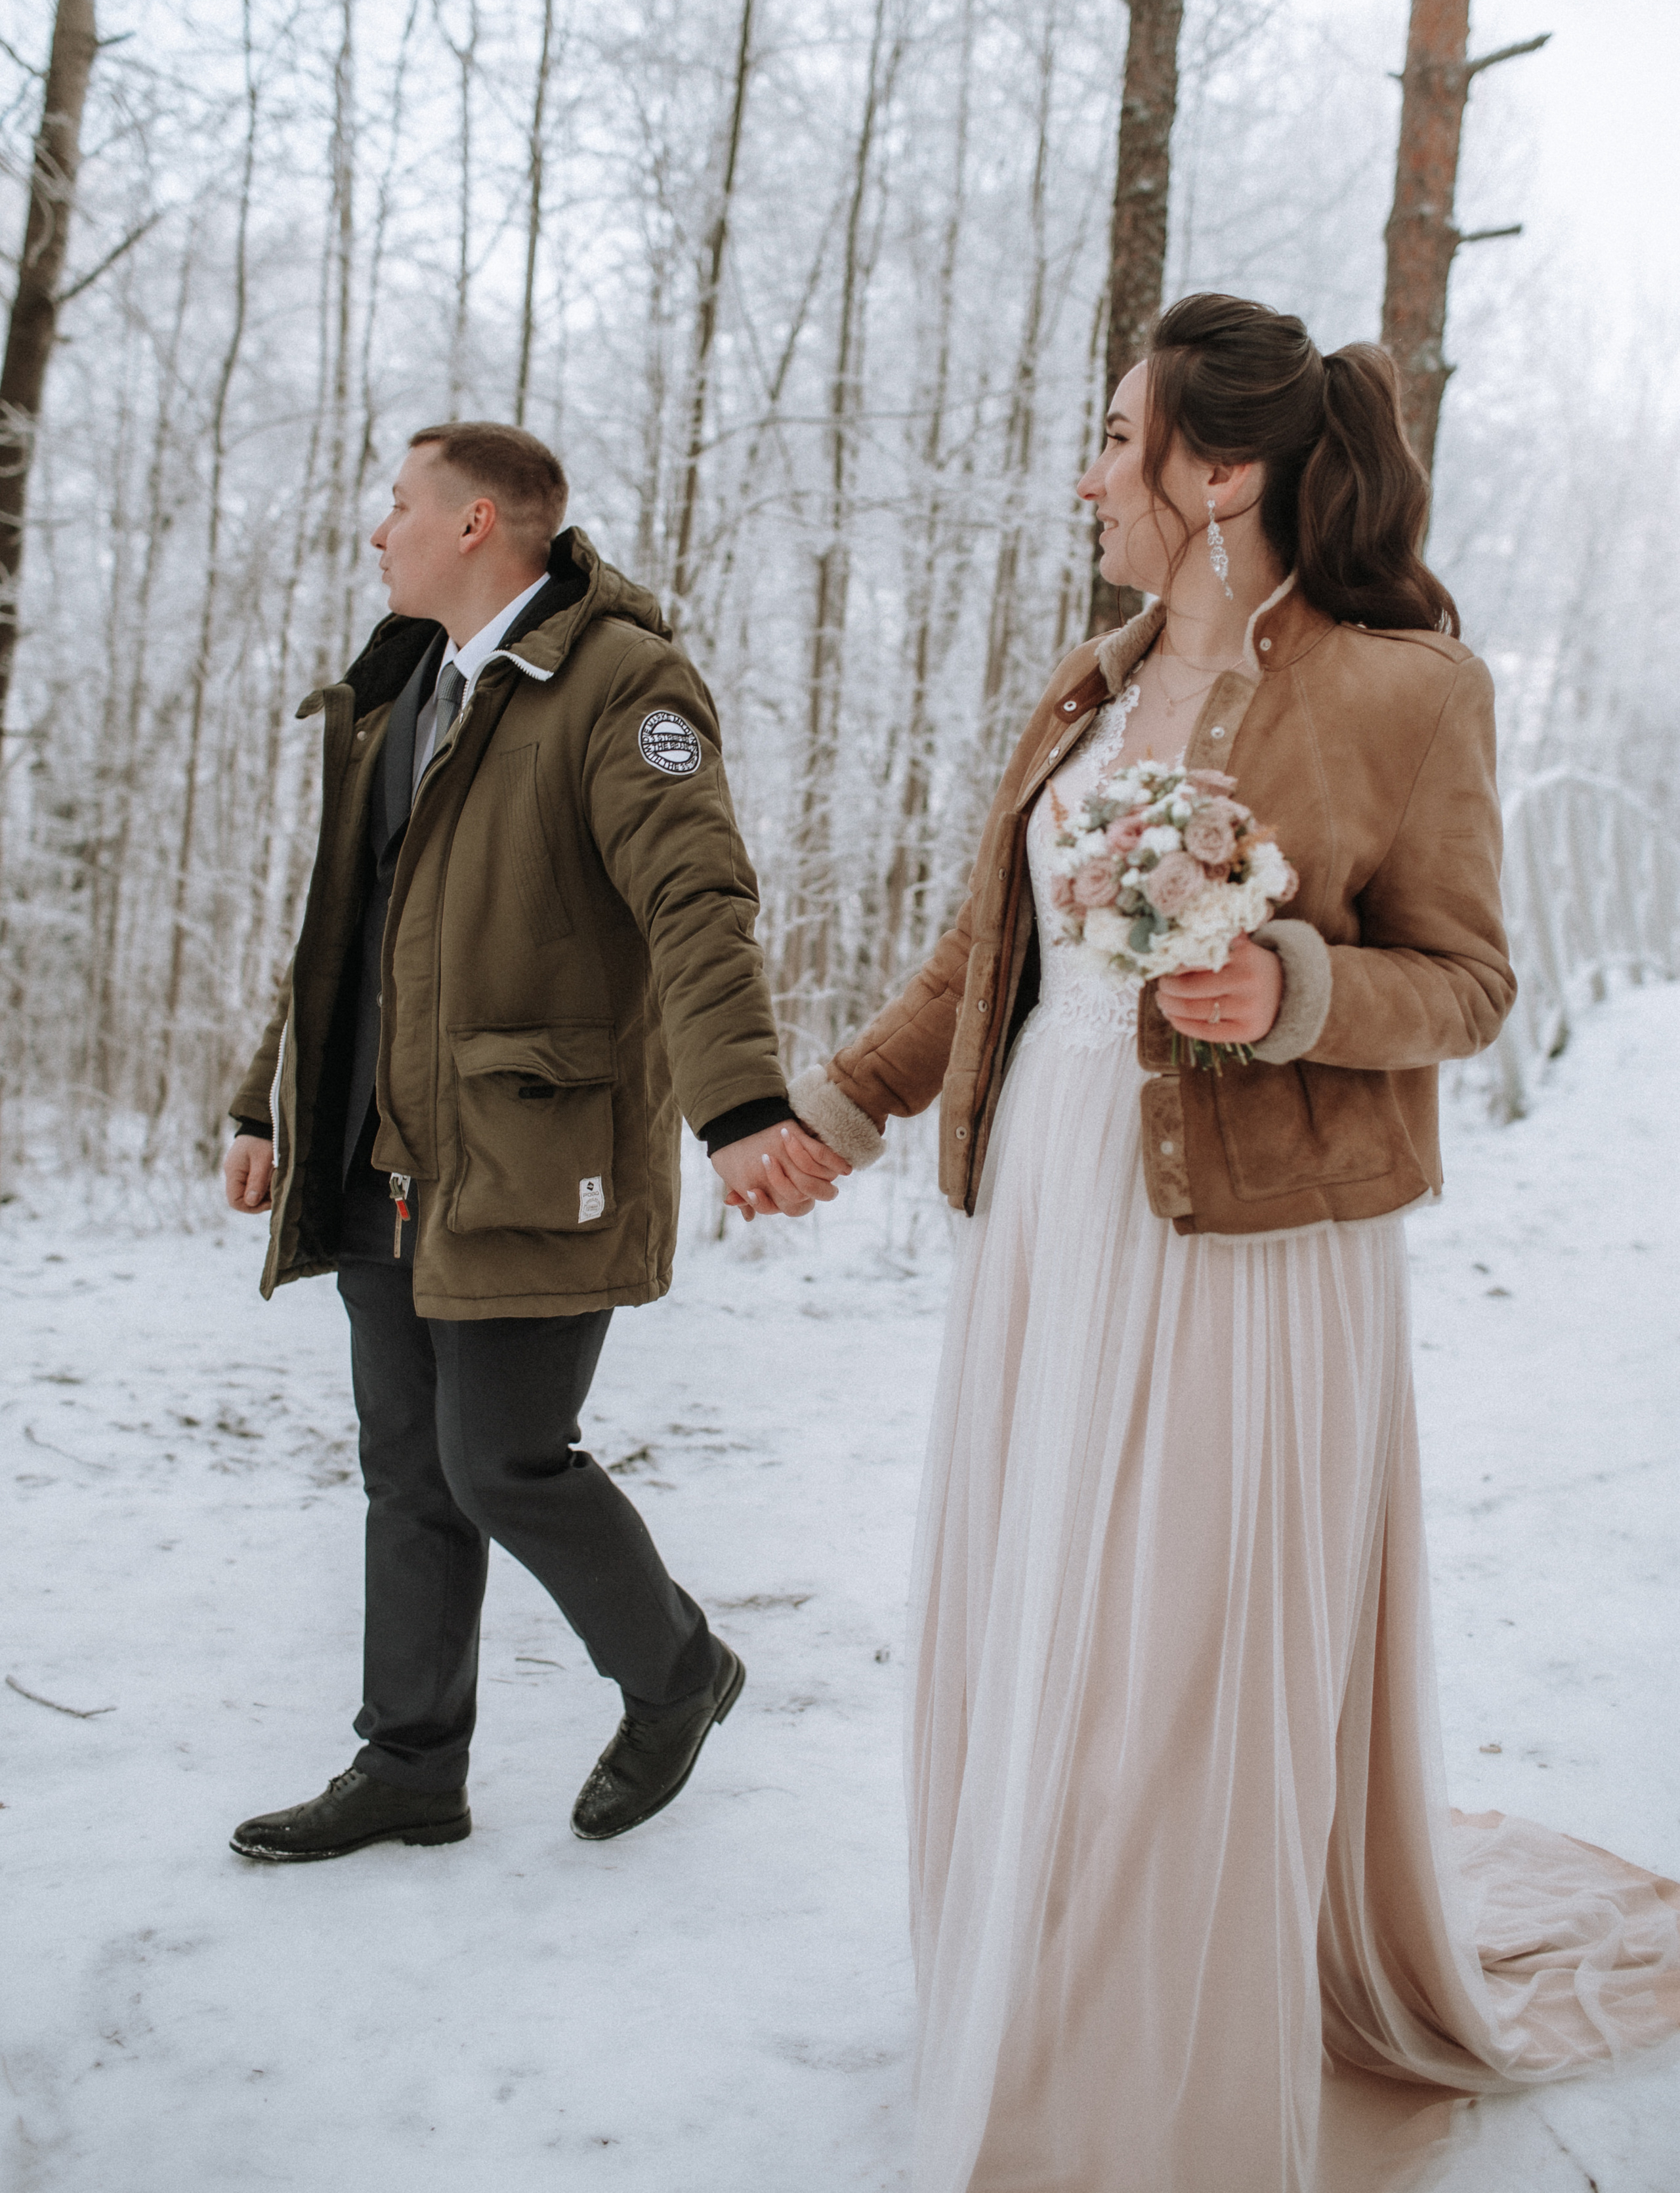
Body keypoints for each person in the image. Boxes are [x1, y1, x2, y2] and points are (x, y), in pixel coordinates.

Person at [789, 296, 1680, 2191]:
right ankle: (1044, 1999)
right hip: (1056, 1209)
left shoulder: (1407, 690)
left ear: (1223, 473)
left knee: (1182, 1646)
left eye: (1118, 439)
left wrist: (1283, 982)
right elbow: (986, 956)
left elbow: (1467, 985)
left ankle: (1167, 2049)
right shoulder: (1087, 685)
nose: (1092, 473)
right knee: (1052, 1614)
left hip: (1255, 1250)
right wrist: (840, 1109)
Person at [222, 420, 847, 1864]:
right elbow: (340, 939)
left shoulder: (621, 685)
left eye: (396, 504)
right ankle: (409, 1766)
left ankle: (678, 1672)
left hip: (528, 1148)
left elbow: (697, 899)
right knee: (407, 1469)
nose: (376, 530)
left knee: (503, 1458)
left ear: (475, 523)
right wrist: (270, 1099)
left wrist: (739, 1104)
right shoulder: (401, 692)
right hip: (383, 1149)